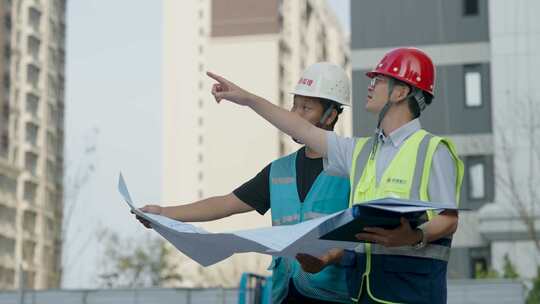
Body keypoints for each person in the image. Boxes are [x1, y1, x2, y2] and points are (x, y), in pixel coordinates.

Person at [207, 47, 464, 304]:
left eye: (379, 80)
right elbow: (300, 128)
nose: (370, 85)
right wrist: (247, 99)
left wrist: (415, 237)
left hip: (413, 292)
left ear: (401, 92)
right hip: (364, 293)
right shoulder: (361, 151)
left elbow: (448, 219)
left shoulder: (432, 149)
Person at [135, 63, 354, 303]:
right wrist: (164, 213)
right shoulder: (279, 170)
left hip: (336, 295)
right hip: (285, 294)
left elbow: (366, 238)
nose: (295, 115)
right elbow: (227, 204)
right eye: (294, 105)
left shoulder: (352, 166)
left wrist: (329, 257)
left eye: (306, 108)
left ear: (331, 115)